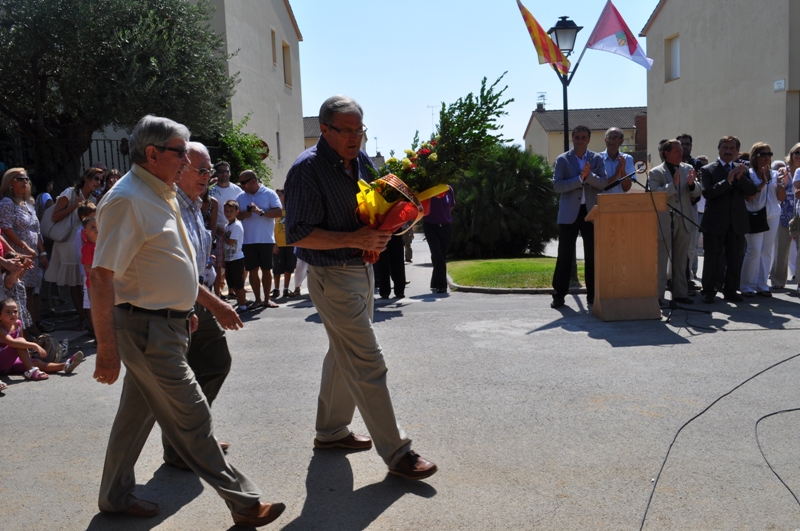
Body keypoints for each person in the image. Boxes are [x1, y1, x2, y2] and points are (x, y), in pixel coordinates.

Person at [91, 115, 284, 527]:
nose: (187, 162)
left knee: (134, 417)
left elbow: (168, 263)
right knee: (194, 416)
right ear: (153, 154)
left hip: (167, 324)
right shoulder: (127, 199)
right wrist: (106, 351)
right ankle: (245, 502)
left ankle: (114, 497)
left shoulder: (161, 193)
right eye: (181, 153)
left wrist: (189, 307)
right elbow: (101, 276)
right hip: (145, 329)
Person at [285, 95, 438, 480]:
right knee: (369, 361)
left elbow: (378, 202)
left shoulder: (361, 161)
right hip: (332, 276)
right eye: (347, 130)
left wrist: (401, 213)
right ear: (324, 129)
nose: (355, 137)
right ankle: (398, 452)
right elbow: (298, 234)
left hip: (361, 271)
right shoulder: (307, 170)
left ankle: (331, 432)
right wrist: (355, 238)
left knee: (342, 355)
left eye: (359, 129)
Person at [163, 141, 234, 469]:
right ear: (181, 170)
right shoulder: (170, 204)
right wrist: (215, 304)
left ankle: (193, 436)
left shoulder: (195, 204)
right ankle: (184, 446)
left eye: (211, 169)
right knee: (182, 379)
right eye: (202, 170)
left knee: (216, 363)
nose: (209, 175)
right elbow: (176, 268)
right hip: (181, 301)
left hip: (199, 294)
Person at [551, 125, 609, 308]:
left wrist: (588, 176)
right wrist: (579, 180)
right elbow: (557, 186)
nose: (580, 140)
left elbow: (603, 183)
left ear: (589, 140)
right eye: (577, 137)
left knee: (593, 255)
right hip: (569, 213)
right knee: (565, 255)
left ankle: (592, 295)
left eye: (584, 137)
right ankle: (559, 295)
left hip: (591, 212)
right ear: (572, 138)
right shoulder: (562, 160)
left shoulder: (597, 159)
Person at [699, 136, 758, 303]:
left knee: (734, 258)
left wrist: (739, 178)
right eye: (725, 147)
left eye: (732, 148)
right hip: (715, 222)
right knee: (712, 259)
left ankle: (731, 291)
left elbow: (752, 190)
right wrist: (728, 181)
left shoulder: (743, 170)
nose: (728, 151)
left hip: (737, 222)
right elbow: (708, 193)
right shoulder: (708, 170)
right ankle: (708, 291)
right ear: (719, 149)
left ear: (737, 152)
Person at [647, 139, 702, 304]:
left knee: (681, 260)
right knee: (661, 261)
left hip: (684, 220)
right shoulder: (655, 172)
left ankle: (680, 294)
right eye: (677, 151)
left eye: (682, 150)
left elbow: (698, 192)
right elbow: (654, 195)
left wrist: (692, 185)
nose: (681, 153)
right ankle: (657, 296)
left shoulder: (688, 169)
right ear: (667, 153)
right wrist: (673, 184)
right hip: (664, 221)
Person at [45, 168, 102, 328]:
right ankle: (82, 317)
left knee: (85, 279)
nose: (98, 183)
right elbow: (55, 216)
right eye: (95, 179)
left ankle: (89, 317)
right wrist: (74, 206)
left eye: (100, 180)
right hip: (68, 240)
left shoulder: (93, 197)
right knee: (75, 281)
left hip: (87, 239)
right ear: (86, 178)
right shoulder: (70, 193)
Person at [0, 168, 49, 330]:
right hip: (18, 252)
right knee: (21, 292)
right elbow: (6, 228)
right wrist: (25, 248)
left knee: (32, 292)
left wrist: (42, 252)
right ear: (10, 183)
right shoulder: (7, 203)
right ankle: (25, 329)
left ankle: (34, 324)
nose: (25, 182)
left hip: (32, 254)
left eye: (26, 179)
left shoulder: (29, 203)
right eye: (20, 179)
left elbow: (37, 230)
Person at [740, 143, 786, 297]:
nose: (767, 157)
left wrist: (780, 183)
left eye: (769, 154)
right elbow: (749, 197)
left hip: (772, 214)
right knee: (754, 250)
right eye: (763, 154)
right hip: (754, 215)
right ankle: (747, 286)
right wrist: (763, 183)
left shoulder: (775, 174)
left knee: (766, 251)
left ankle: (762, 285)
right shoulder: (750, 174)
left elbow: (781, 198)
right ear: (755, 157)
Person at [0, 297, 82, 380]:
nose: (13, 314)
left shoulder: (18, 323)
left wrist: (27, 353)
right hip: (1, 363)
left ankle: (65, 365)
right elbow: (12, 343)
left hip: (11, 362)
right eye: (8, 312)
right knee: (19, 342)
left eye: (15, 311)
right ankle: (32, 371)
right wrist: (34, 345)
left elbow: (22, 340)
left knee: (36, 362)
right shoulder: (1, 329)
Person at [236, 171, 282, 308]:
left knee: (267, 270)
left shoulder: (269, 193)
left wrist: (260, 212)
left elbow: (279, 212)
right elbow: (236, 216)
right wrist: (243, 215)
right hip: (248, 240)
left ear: (253, 181)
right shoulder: (240, 197)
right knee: (252, 270)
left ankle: (267, 299)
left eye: (244, 183)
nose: (242, 186)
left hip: (266, 239)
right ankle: (257, 300)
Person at [209, 161, 242, 297]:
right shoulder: (211, 190)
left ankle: (233, 290)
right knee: (218, 264)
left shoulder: (237, 190)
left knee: (234, 263)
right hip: (217, 232)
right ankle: (217, 293)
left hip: (233, 231)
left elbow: (241, 210)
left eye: (226, 171)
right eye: (221, 171)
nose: (224, 173)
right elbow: (207, 211)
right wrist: (215, 227)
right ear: (216, 173)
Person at [771, 146, 800, 289]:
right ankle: (777, 281)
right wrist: (783, 182)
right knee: (780, 251)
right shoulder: (783, 171)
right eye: (796, 152)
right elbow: (777, 194)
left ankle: (799, 282)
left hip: (799, 215)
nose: (798, 156)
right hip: (784, 215)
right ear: (791, 154)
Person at [423, 186, 455, 294]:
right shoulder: (428, 189)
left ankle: (434, 281)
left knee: (441, 255)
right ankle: (442, 285)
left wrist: (443, 216)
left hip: (446, 227)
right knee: (437, 253)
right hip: (430, 226)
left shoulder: (448, 189)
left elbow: (451, 206)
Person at [223, 200, 248, 312]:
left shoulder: (237, 225)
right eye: (226, 211)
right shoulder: (227, 226)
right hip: (229, 258)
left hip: (236, 258)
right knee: (232, 283)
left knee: (239, 284)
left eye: (231, 211)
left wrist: (221, 235)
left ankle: (243, 305)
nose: (228, 213)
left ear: (237, 212)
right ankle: (240, 302)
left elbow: (231, 242)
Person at [271, 189, 297, 299]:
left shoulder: (291, 211)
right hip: (278, 244)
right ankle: (276, 289)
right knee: (276, 268)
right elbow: (270, 229)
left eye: (280, 195)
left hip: (290, 244)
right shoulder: (274, 212)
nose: (278, 197)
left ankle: (286, 289)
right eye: (276, 195)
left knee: (289, 267)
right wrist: (273, 244)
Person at [600, 127, 633, 194]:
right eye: (609, 137)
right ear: (605, 140)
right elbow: (599, 186)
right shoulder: (597, 159)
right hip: (602, 202)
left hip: (621, 203)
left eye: (615, 138)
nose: (611, 141)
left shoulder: (627, 159)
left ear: (621, 141)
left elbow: (627, 188)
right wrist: (616, 175)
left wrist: (623, 171)